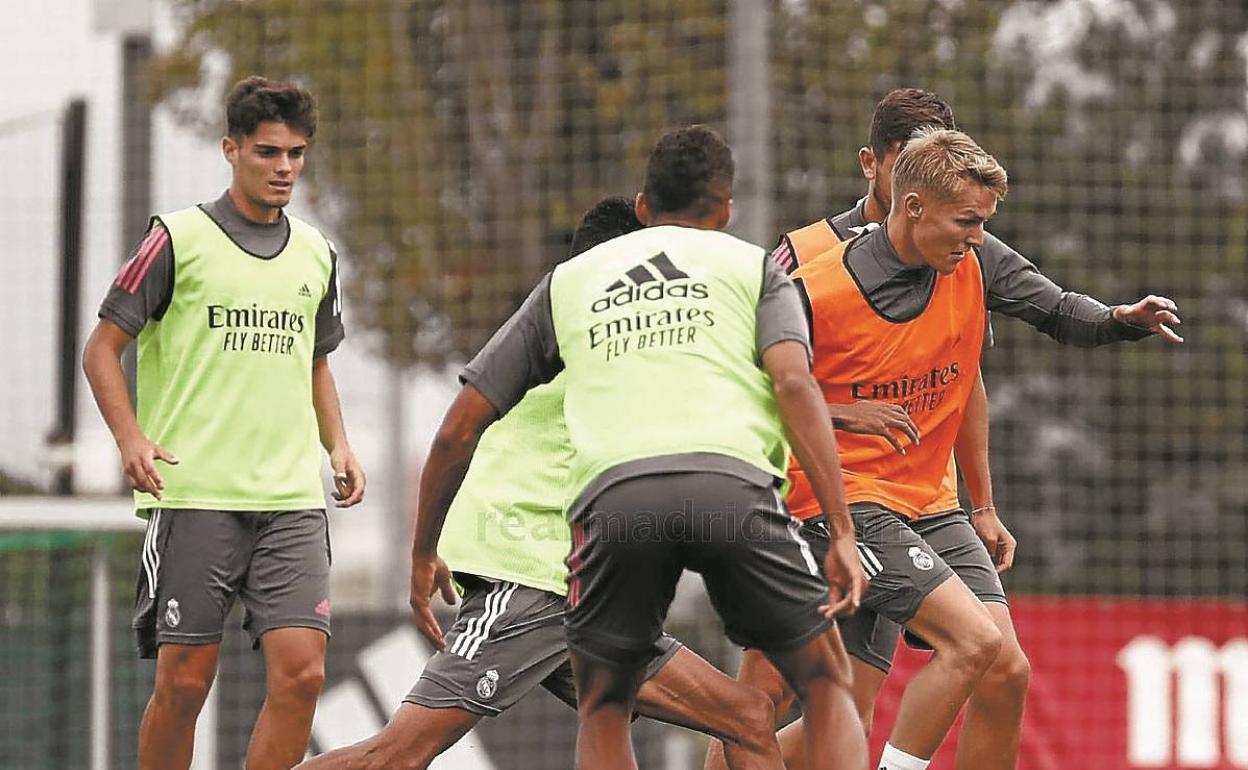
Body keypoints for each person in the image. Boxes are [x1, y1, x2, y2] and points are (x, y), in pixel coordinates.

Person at [712, 127, 1181, 770]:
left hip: (927, 507)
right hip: (830, 507)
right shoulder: (810, 285)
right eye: (967, 220)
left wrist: (1118, 321)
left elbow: (1055, 310)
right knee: (794, 697)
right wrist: (841, 412)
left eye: (984, 222)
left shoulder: (973, 258)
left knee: (1001, 669)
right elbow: (736, 391)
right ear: (908, 201)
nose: (979, 235)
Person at [407, 126, 870, 770]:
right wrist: (842, 525)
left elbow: (459, 428)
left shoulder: (577, 308)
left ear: (647, 205)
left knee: (725, 715)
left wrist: (423, 547)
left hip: (603, 532)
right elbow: (783, 385)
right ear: (725, 209)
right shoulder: (741, 271)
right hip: (531, 567)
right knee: (824, 685)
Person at [295, 196, 788, 770]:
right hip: (528, 573)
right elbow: (454, 437)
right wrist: (422, 552)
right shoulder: (600, 342)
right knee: (398, 755)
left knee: (745, 717)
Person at [82, 76, 365, 770]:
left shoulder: (316, 254)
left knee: (303, 676)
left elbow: (315, 362)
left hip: (290, 502)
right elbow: (101, 350)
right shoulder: (175, 239)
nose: (285, 168)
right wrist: (130, 439)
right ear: (231, 149)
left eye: (297, 154)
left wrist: (340, 445)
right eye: (269, 152)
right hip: (195, 496)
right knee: (183, 687)